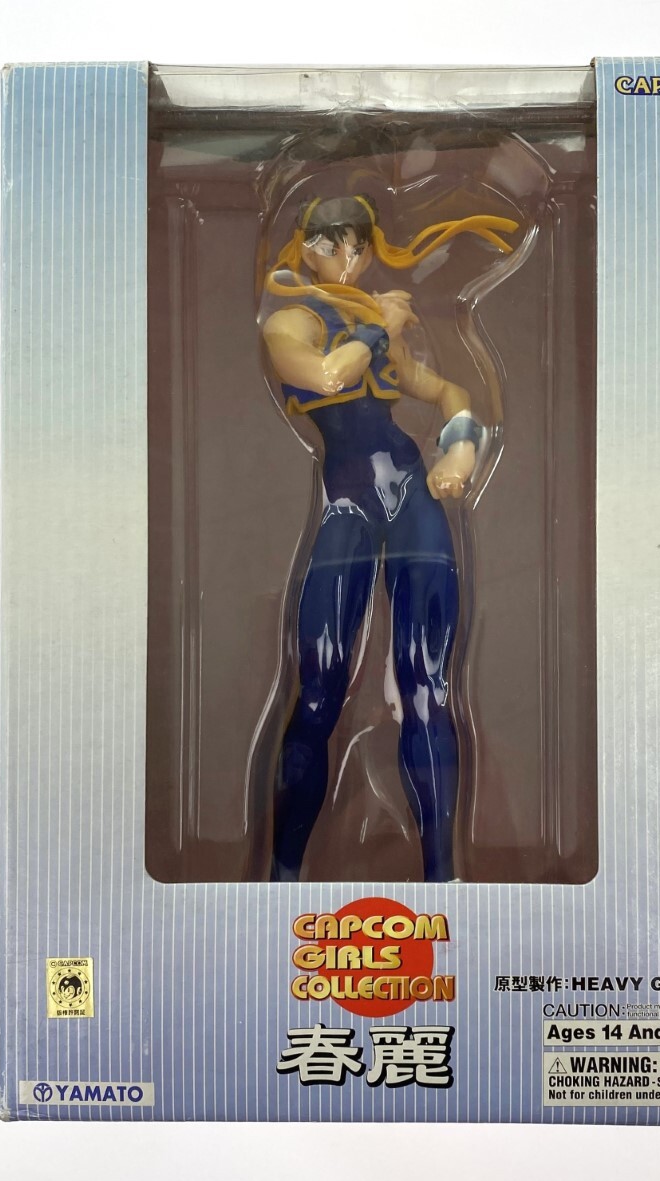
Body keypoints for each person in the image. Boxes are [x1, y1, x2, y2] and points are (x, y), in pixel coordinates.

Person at [260, 194, 516, 881]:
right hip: (345, 501)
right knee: (319, 690)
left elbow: (449, 392)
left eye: (357, 246)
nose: (346, 260)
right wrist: (380, 326)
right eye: (330, 245)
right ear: (303, 245)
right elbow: (328, 376)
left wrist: (461, 451)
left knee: (426, 685)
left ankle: (444, 879)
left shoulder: (370, 321)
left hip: (410, 492)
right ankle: (280, 878)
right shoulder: (290, 322)